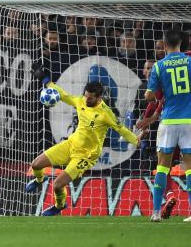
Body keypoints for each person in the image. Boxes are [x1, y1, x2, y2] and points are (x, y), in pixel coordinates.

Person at [27, 64, 140, 216]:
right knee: (36, 164)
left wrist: (138, 142)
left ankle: (59, 205)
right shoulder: (81, 101)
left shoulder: (106, 113)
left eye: (90, 97)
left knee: (57, 184)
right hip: (70, 144)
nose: (86, 99)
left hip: (85, 156)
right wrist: (45, 79)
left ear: (100, 97)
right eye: (86, 95)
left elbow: (122, 130)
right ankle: (39, 180)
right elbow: (62, 94)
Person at [145, 29, 191, 222]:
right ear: (182, 43)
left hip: (169, 121)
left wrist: (160, 91)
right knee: (190, 167)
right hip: (189, 120)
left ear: (164, 45)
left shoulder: (158, 66)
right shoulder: (190, 61)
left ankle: (156, 212)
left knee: (163, 167)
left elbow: (149, 95)